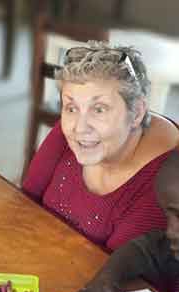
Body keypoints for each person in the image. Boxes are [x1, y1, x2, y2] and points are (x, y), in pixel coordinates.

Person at [22, 42, 179, 251]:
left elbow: (119, 275)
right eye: (71, 107)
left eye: (99, 109)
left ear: (137, 113)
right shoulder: (75, 129)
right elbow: (24, 203)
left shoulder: (167, 181)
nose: (80, 127)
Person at [71, 154, 179, 292]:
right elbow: (147, 249)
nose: (170, 230)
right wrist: (108, 276)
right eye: (167, 215)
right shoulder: (171, 246)